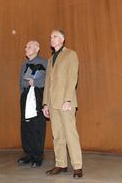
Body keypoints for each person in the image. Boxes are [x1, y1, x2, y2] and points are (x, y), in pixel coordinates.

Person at [43, 29, 83, 179]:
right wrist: (45, 104)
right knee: (57, 135)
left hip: (65, 102)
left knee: (70, 134)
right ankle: (60, 163)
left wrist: (68, 100)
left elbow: (73, 78)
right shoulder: (50, 59)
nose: (51, 39)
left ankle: (77, 166)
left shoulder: (70, 54)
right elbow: (48, 83)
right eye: (50, 37)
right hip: (53, 103)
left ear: (62, 39)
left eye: (54, 37)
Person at [17, 40, 47, 168]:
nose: (26, 49)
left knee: (37, 126)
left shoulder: (44, 62)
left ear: (37, 48)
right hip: (26, 96)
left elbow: (47, 80)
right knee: (26, 126)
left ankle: (37, 156)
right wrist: (27, 85)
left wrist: (35, 83)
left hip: (37, 96)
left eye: (29, 47)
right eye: (25, 47)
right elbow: (22, 83)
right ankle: (28, 154)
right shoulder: (24, 65)